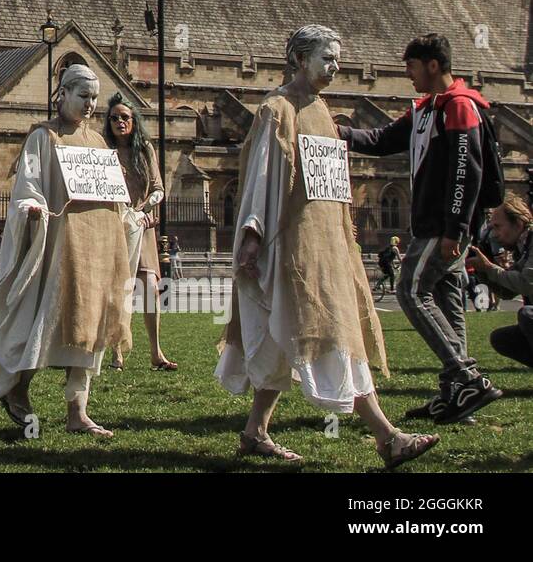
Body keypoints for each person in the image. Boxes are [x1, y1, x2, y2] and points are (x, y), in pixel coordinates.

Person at [217, 25, 439, 469]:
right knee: (334, 334)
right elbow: (259, 175)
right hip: (292, 247)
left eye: (337, 58)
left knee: (291, 338)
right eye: (326, 58)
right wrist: (252, 236)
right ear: (300, 59)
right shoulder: (276, 109)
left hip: (328, 246)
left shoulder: (323, 110)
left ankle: (255, 432)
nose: (335, 66)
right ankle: (387, 437)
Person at [338, 33, 503, 425]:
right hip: (436, 226)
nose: (407, 75)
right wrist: (338, 133)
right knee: (448, 303)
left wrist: (456, 228)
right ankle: (456, 399)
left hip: (442, 228)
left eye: (411, 67)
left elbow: (467, 171)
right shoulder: (427, 110)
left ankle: (466, 377)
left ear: (432, 64)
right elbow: (381, 140)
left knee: (410, 290)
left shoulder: (459, 107)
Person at [0, 63, 132, 438]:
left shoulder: (99, 143)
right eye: (83, 96)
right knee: (45, 321)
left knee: (89, 328)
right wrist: (31, 206)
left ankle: (77, 411)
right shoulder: (42, 137)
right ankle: (17, 389)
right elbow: (29, 181)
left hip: (96, 247)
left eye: (95, 98)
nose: (90, 104)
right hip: (57, 247)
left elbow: (112, 194)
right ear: (62, 95)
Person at [104, 93, 176, 371]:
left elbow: (158, 188)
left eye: (125, 117)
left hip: (142, 226)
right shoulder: (103, 150)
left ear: (134, 121)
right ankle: (117, 352)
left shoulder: (144, 149)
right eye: (114, 118)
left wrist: (145, 210)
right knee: (118, 290)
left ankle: (156, 352)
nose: (120, 122)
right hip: (113, 226)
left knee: (150, 289)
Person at [472, 195, 533, 366]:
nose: (494, 234)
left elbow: (527, 284)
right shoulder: (524, 246)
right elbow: (508, 292)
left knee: (528, 315)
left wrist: (490, 268)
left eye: (498, 227)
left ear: (518, 223)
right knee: (502, 339)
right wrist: (482, 270)